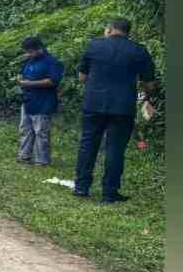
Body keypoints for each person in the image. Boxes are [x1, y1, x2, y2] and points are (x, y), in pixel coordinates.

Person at [74, 18, 157, 202]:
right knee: (115, 149)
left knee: (88, 145)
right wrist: (144, 96)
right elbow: (149, 84)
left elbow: (82, 76)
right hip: (122, 106)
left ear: (109, 30)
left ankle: (81, 187)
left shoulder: (94, 46)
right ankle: (110, 192)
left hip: (93, 103)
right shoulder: (139, 51)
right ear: (128, 32)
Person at [15, 37, 65, 166]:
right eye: (27, 52)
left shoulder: (52, 62)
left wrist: (30, 83)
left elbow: (53, 81)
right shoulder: (29, 61)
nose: (28, 54)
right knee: (25, 129)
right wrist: (20, 78)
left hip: (44, 101)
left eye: (30, 51)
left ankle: (42, 160)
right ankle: (24, 156)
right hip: (27, 100)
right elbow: (22, 73)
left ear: (39, 48)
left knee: (41, 132)